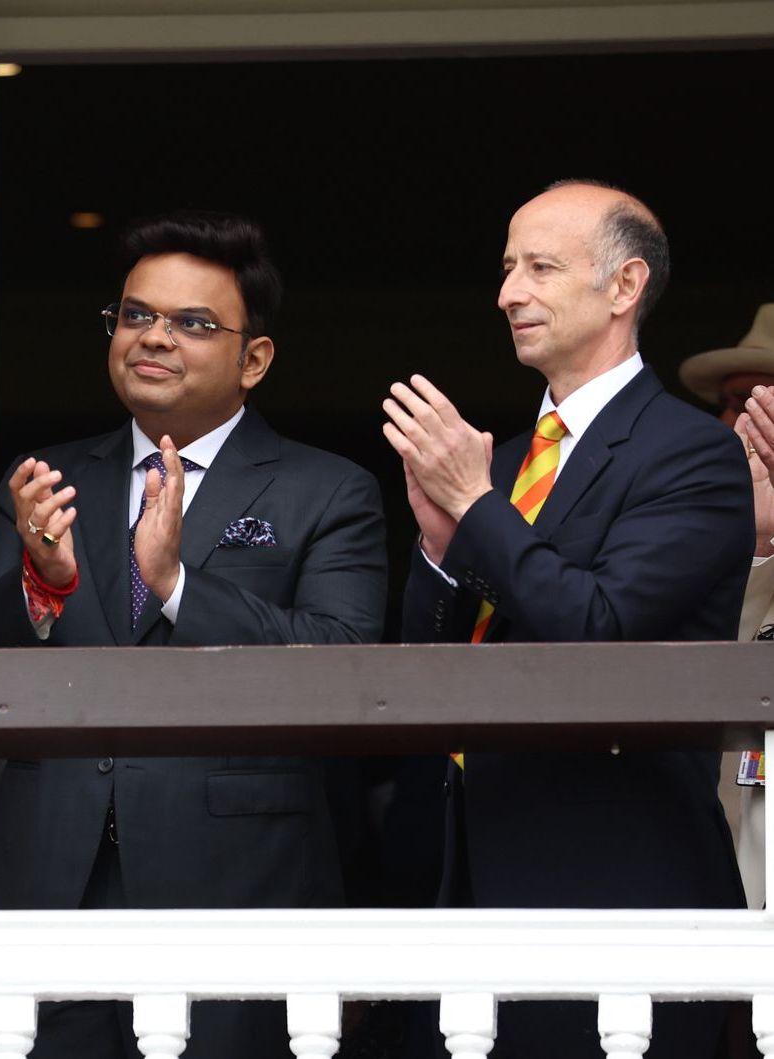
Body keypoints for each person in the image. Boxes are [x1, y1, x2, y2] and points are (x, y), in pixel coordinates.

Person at [0, 210, 387, 1059]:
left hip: (238, 895)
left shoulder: (328, 490)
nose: (154, 337)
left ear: (255, 359)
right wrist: (39, 584)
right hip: (49, 890)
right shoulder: (47, 482)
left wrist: (177, 586)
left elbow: (345, 666)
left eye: (193, 323)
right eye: (136, 314)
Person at [383, 179, 753, 1058]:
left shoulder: (692, 452)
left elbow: (601, 629)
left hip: (616, 878)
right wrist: (437, 545)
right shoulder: (505, 461)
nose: (509, 292)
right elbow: (422, 663)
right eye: (507, 268)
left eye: (541, 267)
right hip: (467, 875)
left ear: (624, 286)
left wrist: (477, 509)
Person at [679, 303, 774, 911]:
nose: (747, 421)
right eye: (736, 402)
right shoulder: (692, 511)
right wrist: (759, 539)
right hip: (716, 847)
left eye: (764, 402)